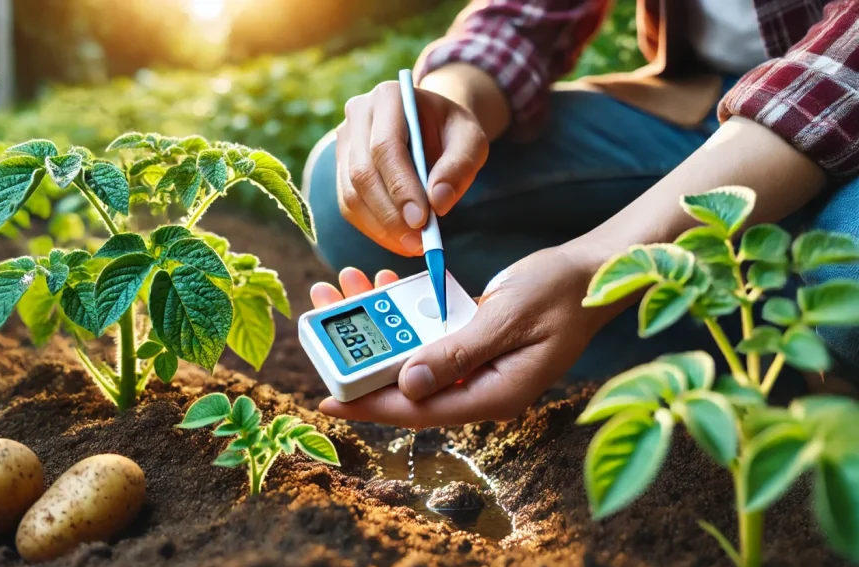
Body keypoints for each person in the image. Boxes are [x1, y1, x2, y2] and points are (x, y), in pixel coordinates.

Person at [301, 0, 859, 428]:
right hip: (706, 110)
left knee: (850, 278)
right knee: (345, 184)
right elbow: (524, 17)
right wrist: (448, 108)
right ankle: (754, 344)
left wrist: (592, 266)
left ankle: (799, 345)